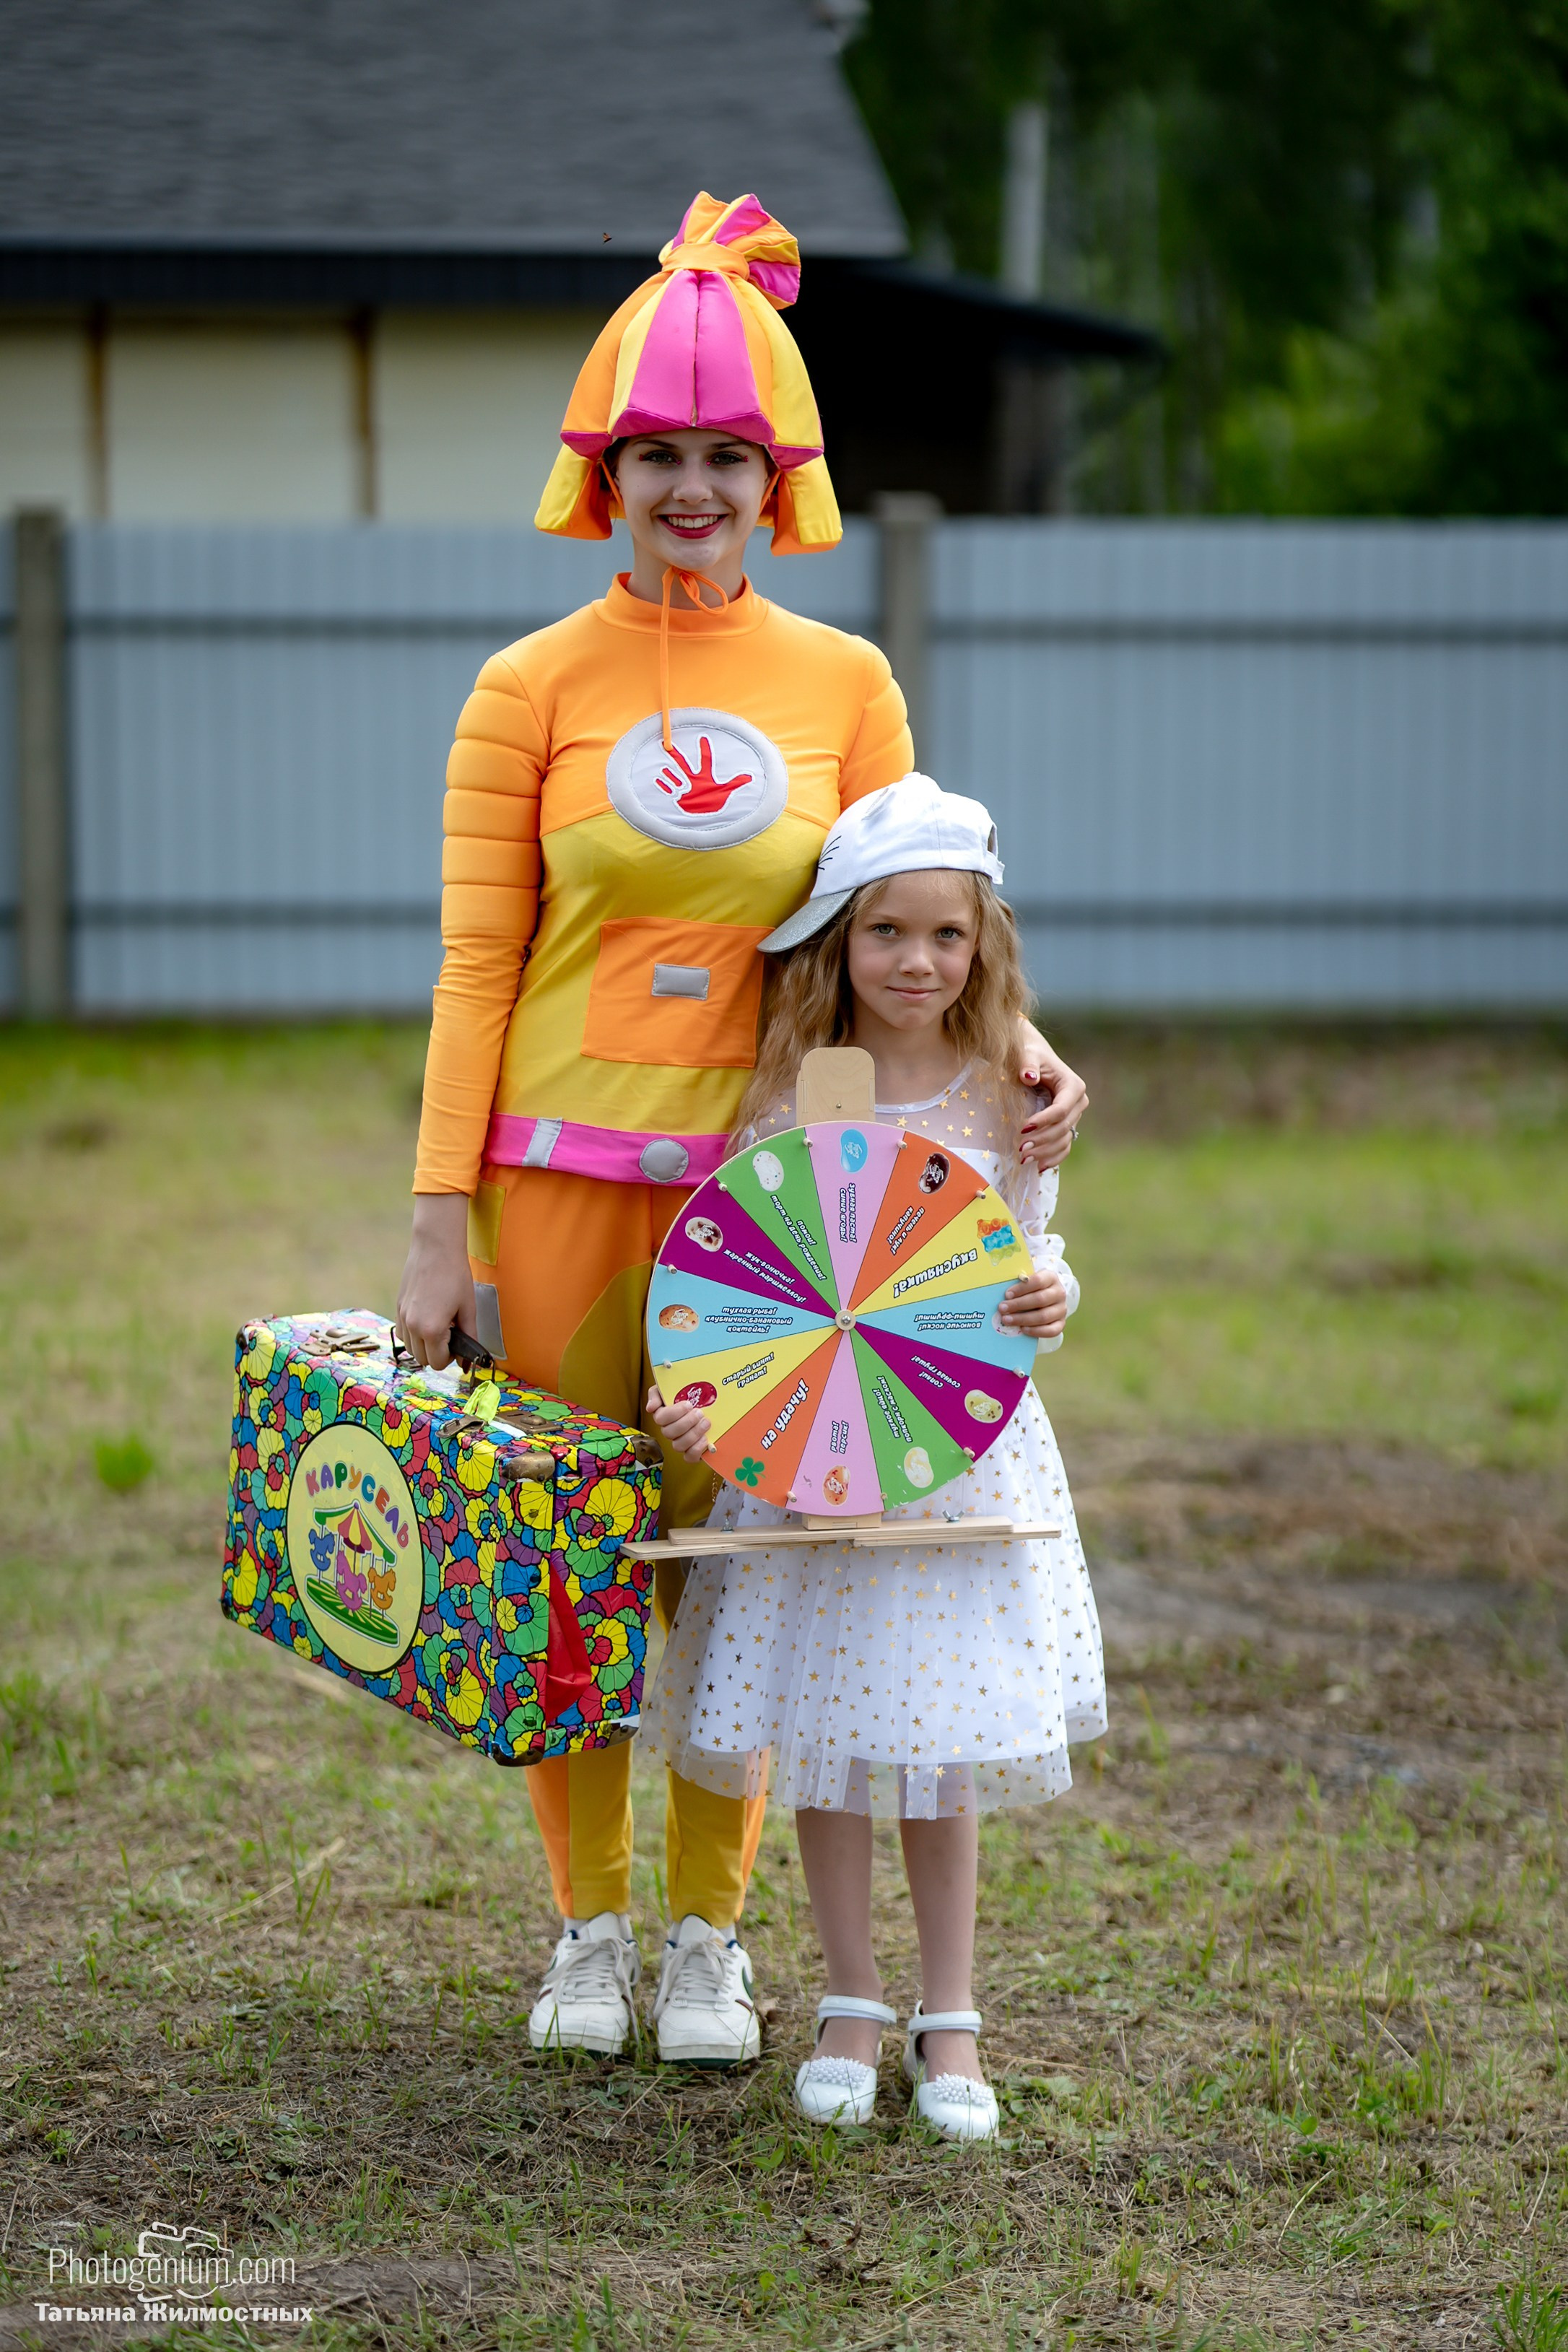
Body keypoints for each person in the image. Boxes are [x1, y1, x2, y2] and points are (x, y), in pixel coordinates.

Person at [396, 191, 1090, 2071]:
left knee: (757, 1566)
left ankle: (709, 1938)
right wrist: (436, 1220)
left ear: (775, 472)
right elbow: (477, 969)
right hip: (550, 1191)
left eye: (724, 454)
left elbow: (911, 910)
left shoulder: (840, 682)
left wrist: (1020, 1048)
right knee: (567, 1562)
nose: (688, 486)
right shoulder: (522, 690)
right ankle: (586, 1926)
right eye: (654, 454)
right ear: (600, 469)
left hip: (781, 1207)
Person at [643, 775, 1106, 2140]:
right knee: (830, 1737)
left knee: (943, 1740)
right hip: (809, 1456)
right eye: (887, 932)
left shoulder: (1010, 1093)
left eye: (948, 937)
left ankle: (949, 2010)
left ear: (985, 948)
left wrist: (1052, 1301)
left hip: (955, 1456)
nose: (917, 961)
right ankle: (852, 1993)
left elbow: (1026, 1261)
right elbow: (762, 1281)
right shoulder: (806, 1086)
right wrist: (705, 1406)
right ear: (841, 939)